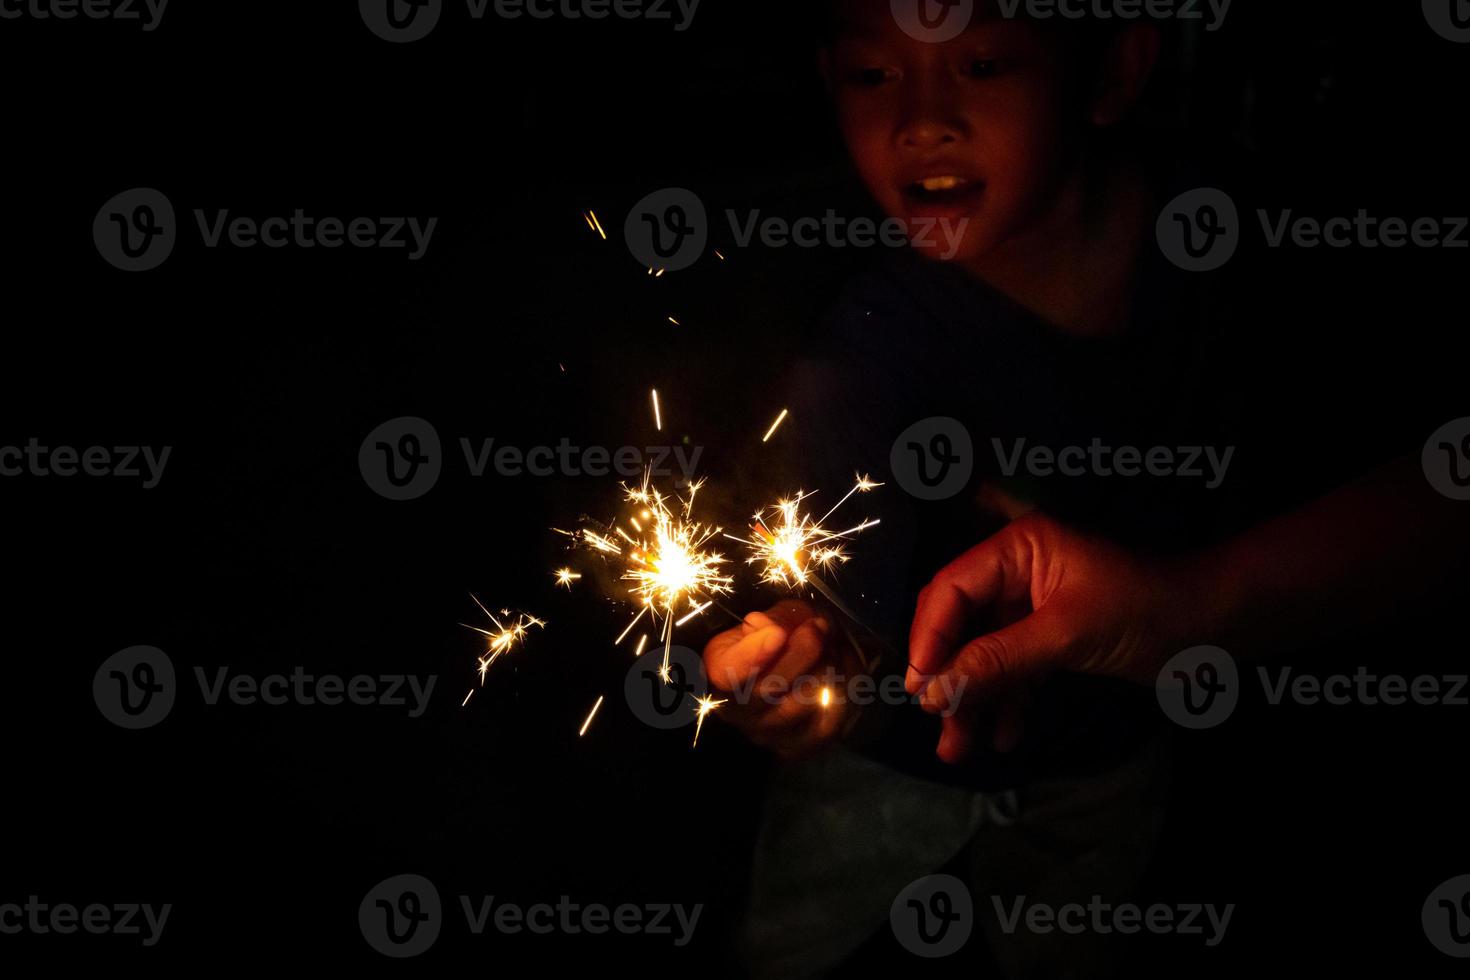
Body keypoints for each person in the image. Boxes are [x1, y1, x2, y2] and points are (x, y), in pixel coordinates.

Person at [702, 2, 1470, 975]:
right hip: (886, 767)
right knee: (789, 941)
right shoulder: (855, 355)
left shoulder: (1227, 247)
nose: (920, 120)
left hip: (1118, 762)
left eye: (980, 64)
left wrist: (1190, 603)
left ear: (1113, 73)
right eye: (871, 75)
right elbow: (840, 589)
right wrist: (820, 669)